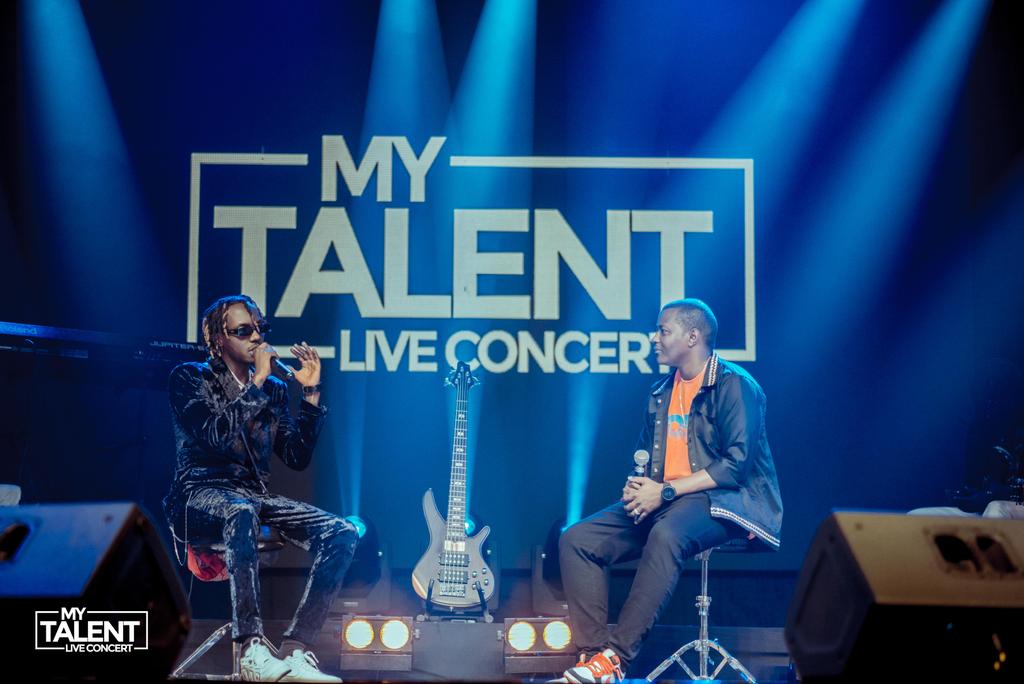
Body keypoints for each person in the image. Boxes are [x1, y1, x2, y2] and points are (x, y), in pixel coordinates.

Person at [559, 298, 783, 683]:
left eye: (663, 331)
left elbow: (735, 467)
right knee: (577, 540)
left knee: (666, 535)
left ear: (692, 337)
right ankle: (596, 660)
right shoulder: (661, 391)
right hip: (670, 498)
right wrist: (638, 486)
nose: (654, 338)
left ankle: (616, 657)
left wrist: (663, 492)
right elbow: (648, 458)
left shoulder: (735, 385)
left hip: (725, 501)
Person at [163, 294, 357, 682]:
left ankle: (296, 650)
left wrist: (311, 395)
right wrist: (257, 382)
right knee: (240, 510)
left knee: (341, 532)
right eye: (243, 330)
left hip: (253, 495)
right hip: (199, 493)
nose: (256, 337)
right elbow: (216, 435)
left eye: (259, 328)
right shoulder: (189, 378)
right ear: (218, 339)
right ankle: (251, 648)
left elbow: (296, 455)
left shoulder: (275, 390)